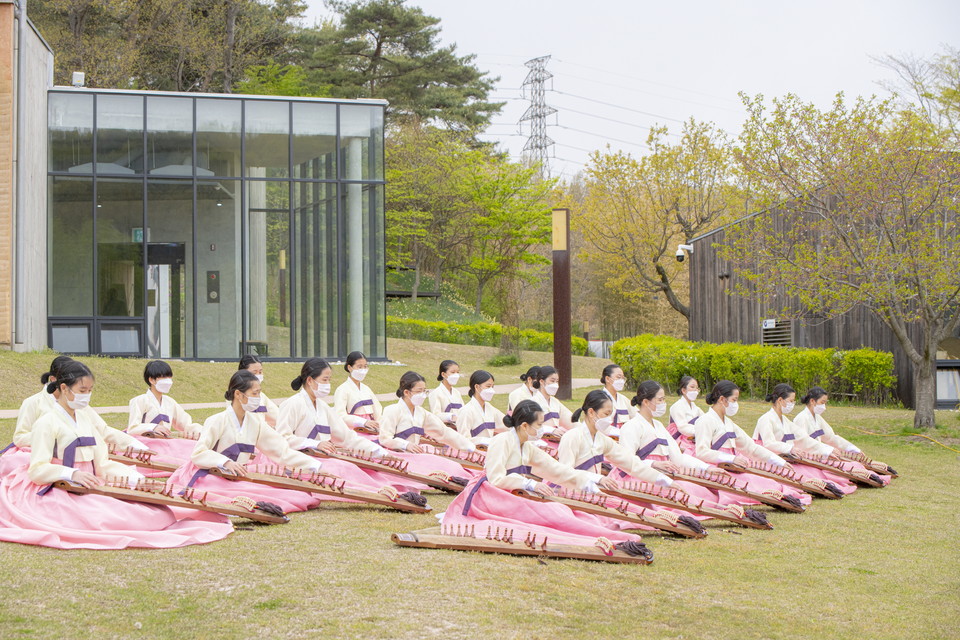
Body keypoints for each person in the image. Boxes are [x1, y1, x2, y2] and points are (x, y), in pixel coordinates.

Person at [0, 361, 233, 549]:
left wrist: (136, 480)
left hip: (92, 483)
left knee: (157, 514)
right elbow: (37, 469)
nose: (87, 396)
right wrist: (71, 473)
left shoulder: (85, 418)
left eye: (90, 391)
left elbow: (102, 464)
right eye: (82, 391)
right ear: (63, 388)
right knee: (120, 518)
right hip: (58, 489)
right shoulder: (46, 422)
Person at [439, 399, 645, 548]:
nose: (542, 429)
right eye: (539, 425)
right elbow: (495, 478)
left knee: (561, 510)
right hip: (490, 496)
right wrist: (529, 484)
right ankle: (607, 537)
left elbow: (556, 470)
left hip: (514, 494)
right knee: (551, 514)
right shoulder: (502, 441)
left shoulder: (526, 446)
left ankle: (609, 535)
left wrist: (590, 481)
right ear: (525, 425)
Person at [165, 370, 327, 513]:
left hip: (238, 476)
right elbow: (199, 453)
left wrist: (313, 466)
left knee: (293, 496)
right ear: (238, 394)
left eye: (258, 393)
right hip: (209, 477)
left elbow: (281, 451)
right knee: (259, 498)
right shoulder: (216, 420)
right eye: (254, 394)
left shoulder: (255, 422)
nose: (258, 398)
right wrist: (225, 462)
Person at [275, 358, 424, 493]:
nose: (328, 385)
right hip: (300, 460)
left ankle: (388, 490)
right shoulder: (292, 404)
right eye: (325, 380)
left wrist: (378, 451)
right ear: (309, 380)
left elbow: (347, 437)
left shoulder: (323, 407)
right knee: (344, 468)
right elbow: (282, 439)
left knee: (359, 468)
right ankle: (375, 492)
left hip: (323, 457)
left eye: (329, 380)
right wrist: (316, 443)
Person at [621, 380, 749, 507]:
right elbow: (627, 461)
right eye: (660, 400)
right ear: (646, 402)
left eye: (664, 399)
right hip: (639, 478)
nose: (663, 404)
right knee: (684, 495)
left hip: (663, 474)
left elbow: (678, 457)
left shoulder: (658, 426)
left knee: (699, 491)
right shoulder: (631, 426)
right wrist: (654, 463)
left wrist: (707, 468)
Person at [692, 380, 812, 506]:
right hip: (714, 470)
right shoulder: (705, 420)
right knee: (756, 485)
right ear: (722, 399)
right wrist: (731, 458)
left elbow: (751, 448)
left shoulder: (729, 423)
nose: (736, 404)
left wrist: (779, 461)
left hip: (731, 467)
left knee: (770, 483)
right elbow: (701, 451)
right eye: (734, 400)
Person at [753, 383, 857, 494]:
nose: (793, 404)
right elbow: (768, 444)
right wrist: (790, 449)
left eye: (793, 401)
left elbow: (804, 439)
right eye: (791, 401)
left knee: (815, 473)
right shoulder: (766, 419)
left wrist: (827, 450)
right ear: (780, 400)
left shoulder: (785, 421)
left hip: (785, 459)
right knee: (804, 475)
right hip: (766, 460)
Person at [377, 371, 479, 479]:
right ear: (406, 392)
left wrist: (470, 447)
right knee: (440, 467)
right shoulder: (392, 410)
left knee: (453, 467)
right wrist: (406, 445)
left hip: (415, 456)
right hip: (397, 456)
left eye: (424, 391)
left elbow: (443, 432)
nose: (423, 395)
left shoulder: (422, 413)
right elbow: (385, 439)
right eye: (419, 391)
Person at [793, 386, 893, 483]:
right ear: (812, 401)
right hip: (810, 457)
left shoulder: (817, 418)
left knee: (854, 464)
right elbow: (803, 443)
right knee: (847, 467)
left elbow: (830, 437)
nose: (824, 406)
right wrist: (827, 450)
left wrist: (852, 448)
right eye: (822, 402)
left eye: (825, 403)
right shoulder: (801, 418)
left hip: (821, 454)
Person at [331, 351, 383, 435]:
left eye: (365, 366)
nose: (363, 370)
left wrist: (379, 425)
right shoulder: (342, 389)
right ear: (349, 367)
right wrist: (363, 422)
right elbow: (340, 415)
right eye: (359, 367)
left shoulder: (366, 389)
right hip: (353, 430)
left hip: (371, 428)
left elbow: (377, 410)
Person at [455, 370, 506, 447]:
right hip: (473, 455)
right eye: (488, 386)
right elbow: (463, 440)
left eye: (492, 387)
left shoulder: (490, 408)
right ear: (477, 387)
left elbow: (506, 424)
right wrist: (483, 440)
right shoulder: (466, 411)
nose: (491, 390)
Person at [532, 366, 573, 439]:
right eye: (552, 381)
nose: (555, 385)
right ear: (541, 381)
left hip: (555, 440)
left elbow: (569, 418)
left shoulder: (555, 402)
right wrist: (551, 430)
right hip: (539, 441)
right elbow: (530, 426)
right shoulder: (532, 402)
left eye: (557, 381)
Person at [239, 355, 280, 427]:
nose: (258, 376)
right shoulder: (237, 396)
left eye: (260, 372)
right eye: (254, 373)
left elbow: (278, 416)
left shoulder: (262, 396)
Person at [669, 376, 704, 452]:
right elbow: (682, 427)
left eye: (697, 388)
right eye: (692, 387)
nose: (695, 390)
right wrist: (700, 431)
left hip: (695, 438)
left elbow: (705, 420)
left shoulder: (695, 407)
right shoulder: (676, 406)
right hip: (681, 442)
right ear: (684, 390)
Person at [599, 364, 635, 437]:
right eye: (618, 377)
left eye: (623, 378)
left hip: (623, 439)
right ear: (608, 379)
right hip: (605, 438)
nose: (621, 381)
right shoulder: (598, 398)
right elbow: (599, 424)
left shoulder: (624, 399)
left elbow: (636, 416)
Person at [429, 360, 464, 427]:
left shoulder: (457, 393)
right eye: (453, 372)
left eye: (457, 372)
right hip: (444, 430)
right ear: (443, 374)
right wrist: (451, 417)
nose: (456, 375)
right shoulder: (435, 393)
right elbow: (435, 415)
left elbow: (463, 411)